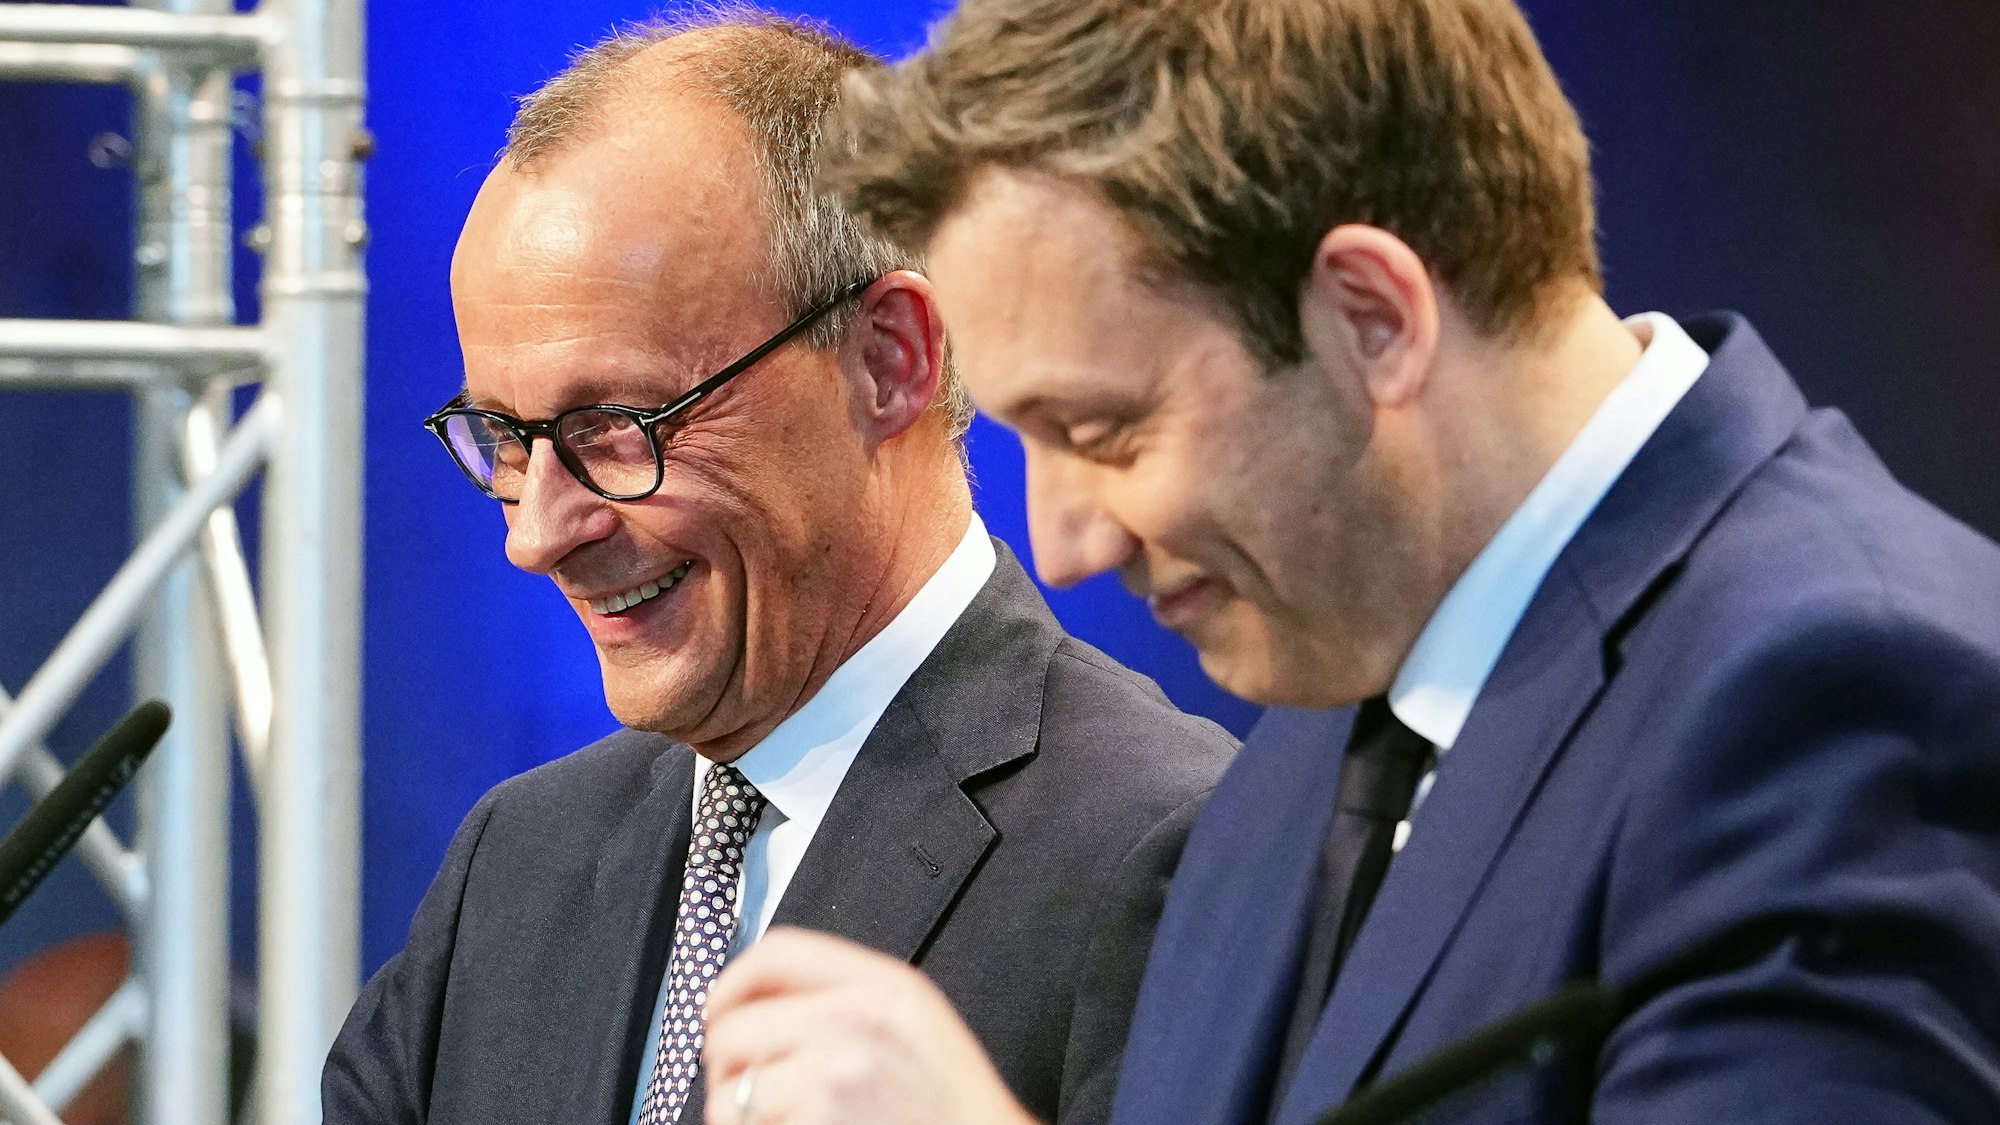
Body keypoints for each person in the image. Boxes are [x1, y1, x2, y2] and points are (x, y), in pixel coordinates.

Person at [700, 1, 2000, 1122]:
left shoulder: (1849, 704)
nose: (1066, 544)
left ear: (1372, 318)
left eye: (1103, 430)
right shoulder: (1299, 764)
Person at [320, 12, 1234, 1125]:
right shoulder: (513, 869)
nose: (536, 533)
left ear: (886, 361)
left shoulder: (1171, 854)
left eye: (612, 426)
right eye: (504, 440)